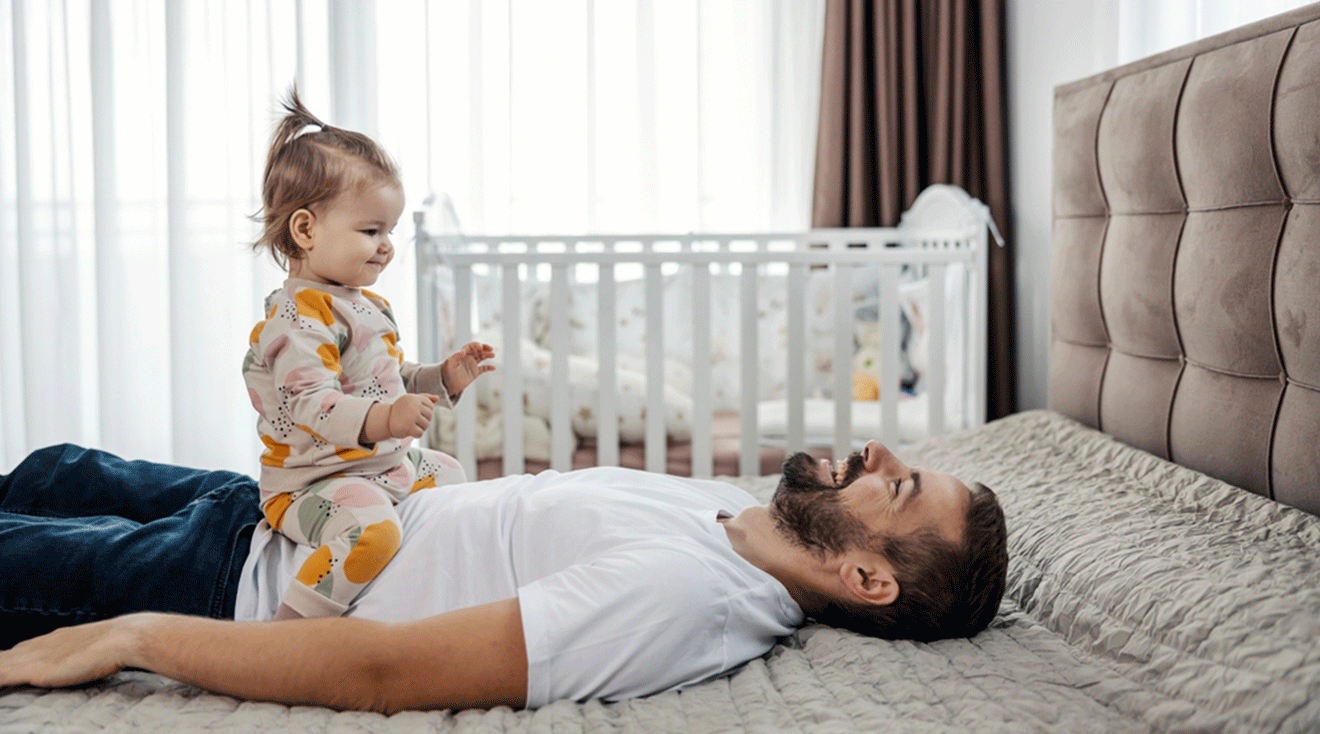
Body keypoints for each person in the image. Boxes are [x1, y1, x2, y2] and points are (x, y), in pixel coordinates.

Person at [0, 439, 1007, 712]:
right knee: (50, 468)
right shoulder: (733, 514)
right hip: (281, 511)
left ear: (873, 579)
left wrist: (130, 635)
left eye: (899, 480)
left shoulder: (687, 597)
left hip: (231, 579)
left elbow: (386, 670)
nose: (875, 448)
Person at [244, 89, 494, 620]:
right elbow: (315, 404)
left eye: (390, 232)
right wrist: (386, 419)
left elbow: (383, 378)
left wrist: (439, 377)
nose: (386, 246)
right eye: (370, 231)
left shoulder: (365, 305)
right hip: (315, 483)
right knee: (373, 531)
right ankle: (290, 629)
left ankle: (422, 582)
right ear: (306, 230)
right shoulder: (297, 321)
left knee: (449, 473)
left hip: (378, 465)